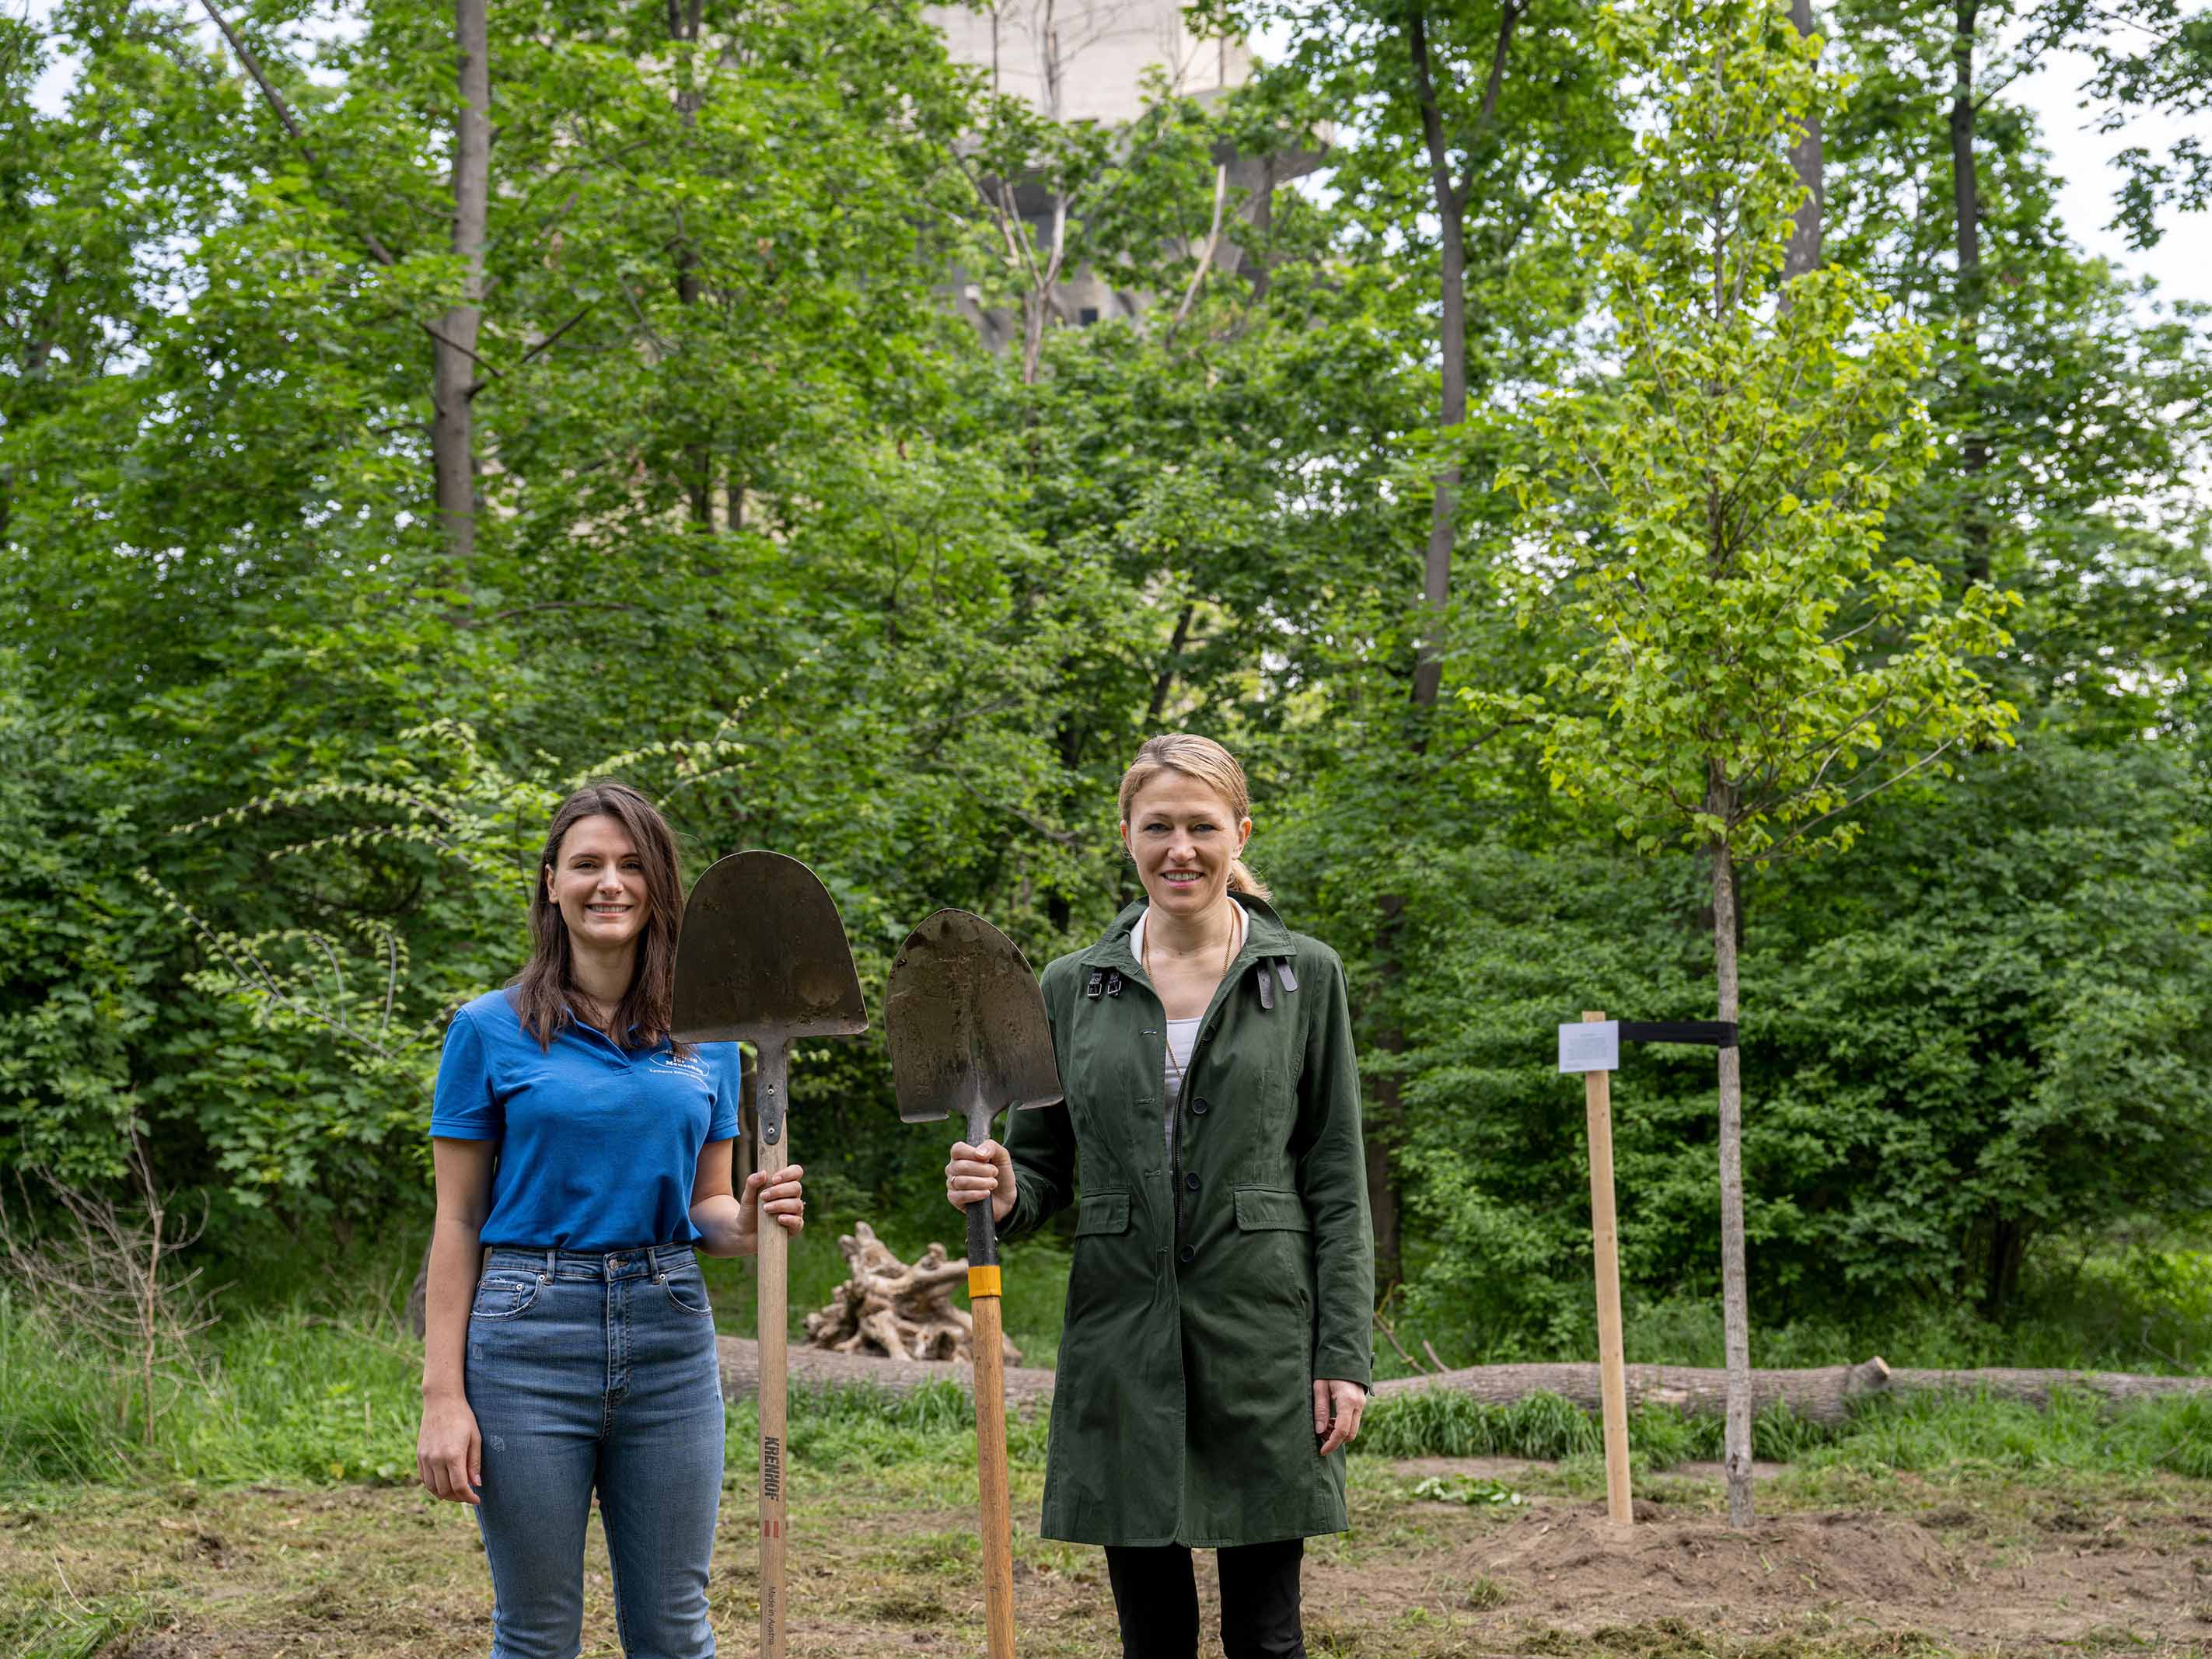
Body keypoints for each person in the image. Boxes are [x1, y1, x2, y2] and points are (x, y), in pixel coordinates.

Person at [946, 733, 1373, 1659]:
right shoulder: (1071, 986)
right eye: (1159, 827)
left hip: (1261, 1326)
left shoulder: (1303, 976)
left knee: (1267, 1635)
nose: (1180, 847)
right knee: (1152, 1637)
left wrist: (1342, 1351)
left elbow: (1336, 1177)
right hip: (1121, 1328)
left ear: (1240, 832)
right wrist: (1008, 1189)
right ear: (1127, 838)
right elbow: (1045, 1169)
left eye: (1201, 826)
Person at [415, 781, 806, 1659]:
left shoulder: (706, 1038)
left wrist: (746, 1222)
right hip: (526, 1336)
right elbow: (457, 1220)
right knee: (538, 1630)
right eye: (587, 863)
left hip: (668, 1328)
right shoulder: (487, 1029)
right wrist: (443, 1396)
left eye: (632, 865)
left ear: (659, 887)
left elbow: (707, 1204)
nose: (610, 882)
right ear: (551, 881)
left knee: (674, 1626)